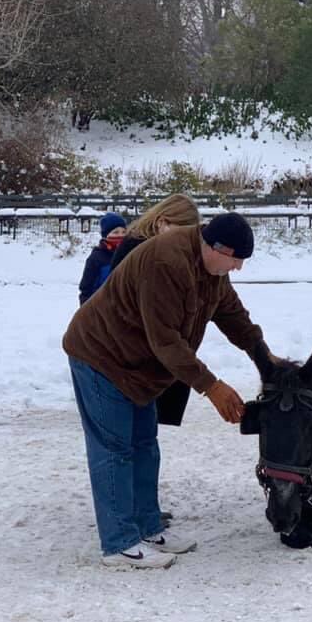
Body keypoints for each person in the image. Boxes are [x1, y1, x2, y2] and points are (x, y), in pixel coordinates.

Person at [63, 212, 278, 569]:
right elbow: (165, 341)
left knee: (144, 444)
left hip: (139, 367)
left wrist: (265, 359)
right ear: (216, 247)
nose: (238, 268)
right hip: (101, 356)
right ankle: (118, 543)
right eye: (236, 259)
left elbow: (233, 316)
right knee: (114, 448)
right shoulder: (166, 262)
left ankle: (147, 527)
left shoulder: (212, 269)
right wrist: (212, 387)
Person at [110, 193, 202, 429]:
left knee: (145, 435)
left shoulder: (175, 252)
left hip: (155, 350)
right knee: (127, 436)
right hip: (131, 351)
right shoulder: (139, 249)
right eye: (180, 230)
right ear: (162, 222)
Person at [111, 192, 201, 270]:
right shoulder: (138, 248)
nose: (184, 240)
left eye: (190, 234)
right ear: (161, 222)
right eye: (180, 232)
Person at [77, 213, 126, 305]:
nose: (120, 235)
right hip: (102, 307)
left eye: (123, 232)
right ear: (105, 235)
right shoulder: (96, 258)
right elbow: (86, 289)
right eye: (115, 232)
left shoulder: (129, 254)